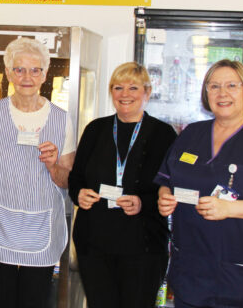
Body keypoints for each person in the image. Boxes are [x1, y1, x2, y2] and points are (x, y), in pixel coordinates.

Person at [156, 59, 243, 308]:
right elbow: (166, 180)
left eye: (232, 85)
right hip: (192, 271)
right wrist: (164, 196)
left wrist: (230, 209)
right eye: (214, 86)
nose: (222, 93)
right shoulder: (190, 135)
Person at [0, 37, 76, 308]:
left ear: (45, 73)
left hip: (42, 229)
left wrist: (53, 165)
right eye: (19, 69)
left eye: (35, 70)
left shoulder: (62, 119)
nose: (27, 77)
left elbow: (67, 180)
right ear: (8, 73)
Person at [69, 62, 177, 307]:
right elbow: (76, 178)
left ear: (147, 92)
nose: (125, 94)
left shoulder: (164, 134)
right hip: (94, 244)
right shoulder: (95, 129)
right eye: (118, 87)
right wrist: (79, 194)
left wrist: (143, 202)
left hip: (143, 246)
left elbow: (171, 187)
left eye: (133, 88)